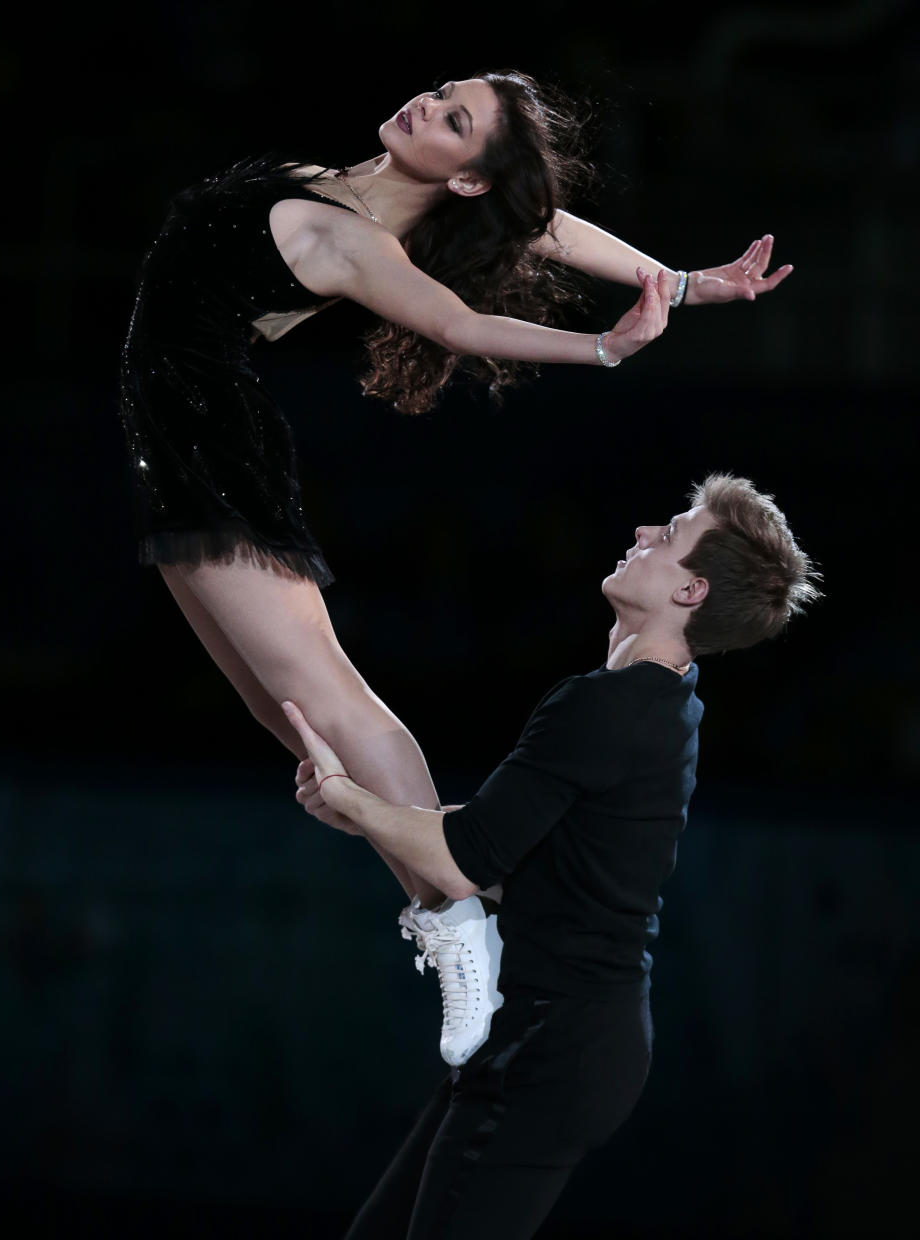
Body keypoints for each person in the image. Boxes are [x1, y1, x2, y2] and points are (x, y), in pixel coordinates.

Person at [117, 69, 794, 1048]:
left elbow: (462, 325)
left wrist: (609, 348)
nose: (424, 104)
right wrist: (683, 284)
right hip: (171, 450)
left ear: (466, 179)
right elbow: (546, 222)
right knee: (286, 710)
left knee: (332, 698)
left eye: (453, 119)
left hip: (212, 455)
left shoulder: (352, 242)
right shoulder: (326, 181)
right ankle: (453, 913)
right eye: (442, 92)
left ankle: (462, 926)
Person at [282, 473, 821, 1240]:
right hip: (555, 1037)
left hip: (555, 1047)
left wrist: (354, 798)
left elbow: (464, 860)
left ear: (692, 592)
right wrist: (365, 817)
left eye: (667, 536)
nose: (641, 534)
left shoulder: (609, 706)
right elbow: (520, 847)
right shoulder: (664, 702)